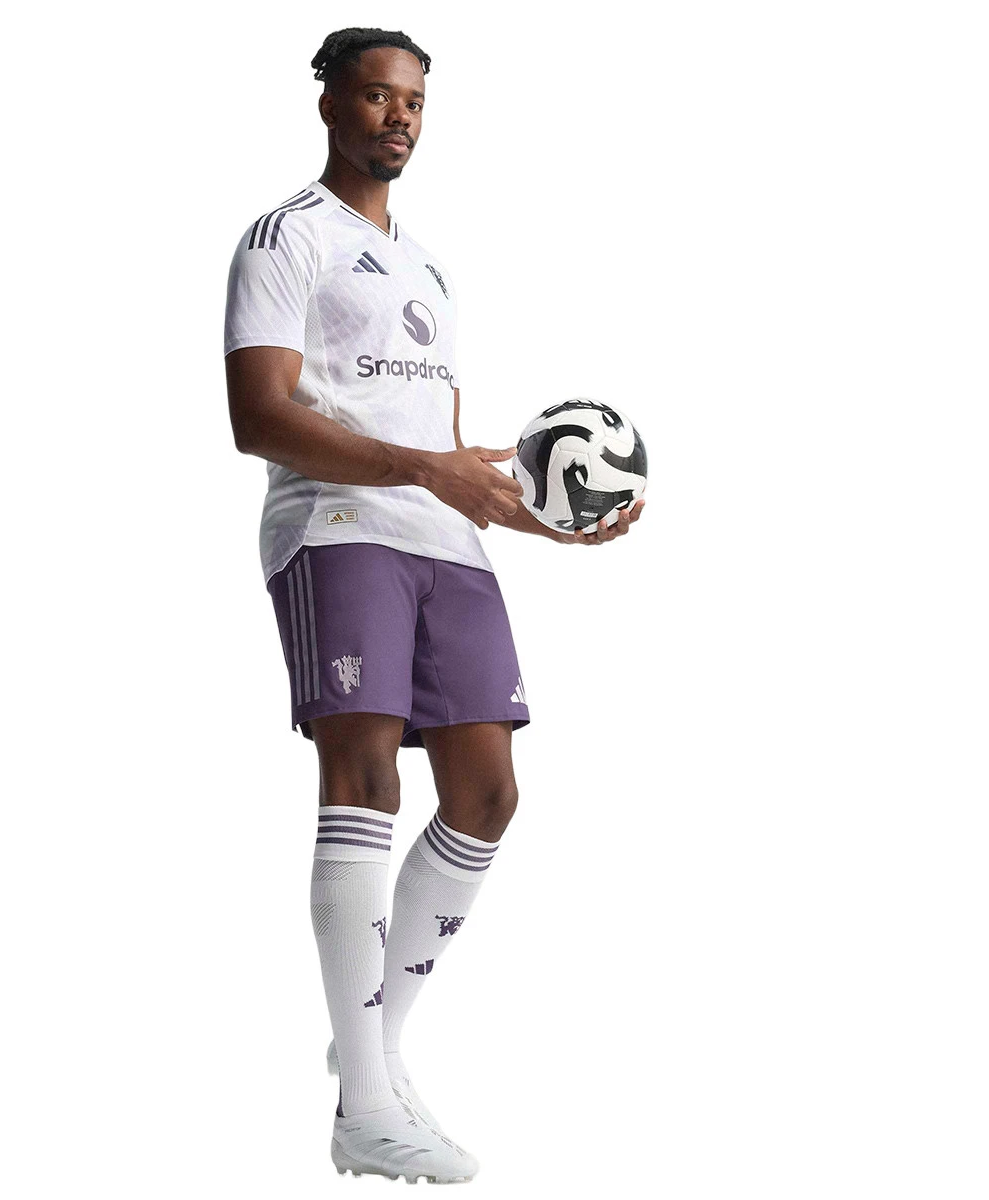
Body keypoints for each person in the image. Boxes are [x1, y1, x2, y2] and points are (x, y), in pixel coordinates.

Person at [223, 26, 643, 1184]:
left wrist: (541, 515)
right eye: (375, 96)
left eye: (411, 101)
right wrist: (422, 471)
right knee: (365, 777)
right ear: (330, 105)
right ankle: (366, 1103)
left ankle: (372, 1050)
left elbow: (442, 447)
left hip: (442, 545)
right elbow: (257, 418)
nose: (397, 116)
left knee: (489, 793)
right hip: (336, 528)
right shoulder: (285, 238)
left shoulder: (433, 269)